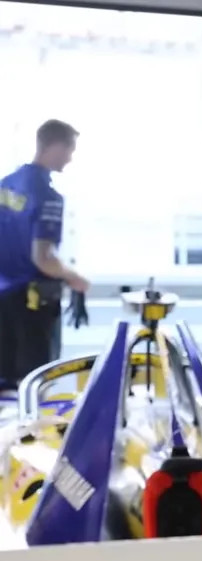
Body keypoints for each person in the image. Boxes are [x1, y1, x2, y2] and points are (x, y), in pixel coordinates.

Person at [0, 120, 88, 390]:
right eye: (69, 150)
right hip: (32, 305)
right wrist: (76, 279)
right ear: (55, 146)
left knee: (5, 384)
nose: (70, 158)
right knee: (34, 385)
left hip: (2, 298)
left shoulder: (6, 185)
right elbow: (44, 259)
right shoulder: (48, 196)